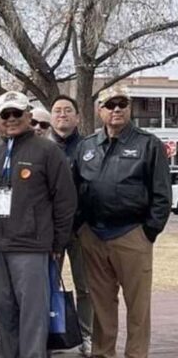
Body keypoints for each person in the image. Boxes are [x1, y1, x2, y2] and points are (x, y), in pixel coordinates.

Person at [74, 85, 171, 358]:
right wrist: (80, 227)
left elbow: (162, 194)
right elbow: (75, 188)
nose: (116, 109)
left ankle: (136, 354)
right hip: (94, 236)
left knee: (138, 307)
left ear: (129, 108)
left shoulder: (148, 144)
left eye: (122, 104)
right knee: (101, 305)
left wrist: (148, 232)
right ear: (99, 110)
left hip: (132, 234)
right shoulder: (86, 146)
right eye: (110, 104)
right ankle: (102, 353)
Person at [0, 91, 76, 358]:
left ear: (28, 115)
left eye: (17, 113)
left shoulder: (48, 151)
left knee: (33, 316)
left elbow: (65, 201)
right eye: (5, 114)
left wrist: (58, 243)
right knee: (4, 311)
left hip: (31, 247)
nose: (11, 119)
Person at [49, 95, 93, 356]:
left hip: (81, 229)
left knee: (85, 287)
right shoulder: (43, 148)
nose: (62, 114)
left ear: (77, 117)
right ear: (51, 117)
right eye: (57, 110)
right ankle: (51, 336)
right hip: (51, 231)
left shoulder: (89, 147)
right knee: (48, 285)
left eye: (68, 110)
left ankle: (87, 335)